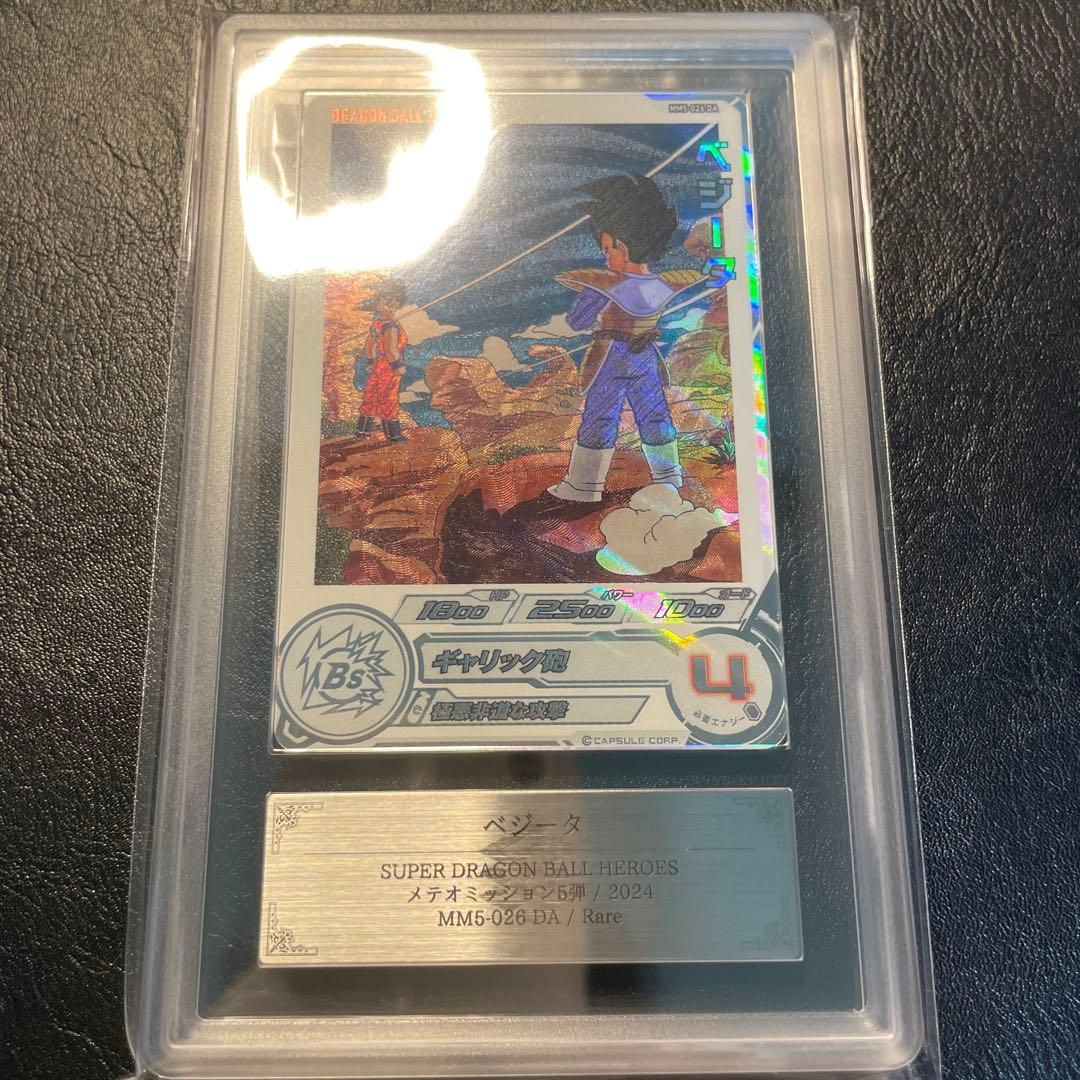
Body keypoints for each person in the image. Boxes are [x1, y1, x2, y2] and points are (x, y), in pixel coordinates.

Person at [547, 174, 703, 503]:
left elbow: (577, 321)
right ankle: (668, 478)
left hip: (611, 356)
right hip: (645, 357)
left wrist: (590, 298)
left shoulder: (604, 284)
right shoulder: (665, 284)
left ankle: (584, 486)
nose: (606, 259)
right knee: (654, 415)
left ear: (622, 245)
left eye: (608, 250)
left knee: (600, 416)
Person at [355, 278, 409, 444]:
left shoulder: (376, 325)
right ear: (380, 305)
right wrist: (397, 366)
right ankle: (393, 435)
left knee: (370, 395)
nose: (391, 306)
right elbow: (391, 349)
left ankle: (361, 431)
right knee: (389, 397)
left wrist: (371, 363)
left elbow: (369, 347)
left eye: (392, 303)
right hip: (388, 366)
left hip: (377, 364)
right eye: (386, 302)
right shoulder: (391, 326)